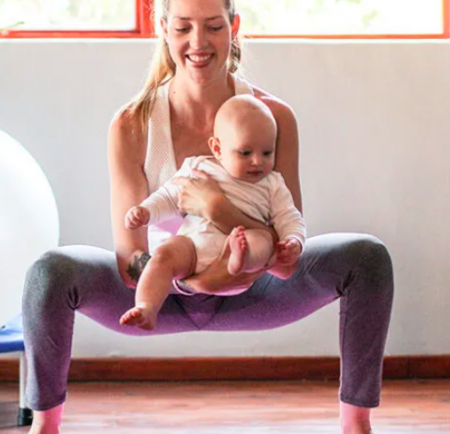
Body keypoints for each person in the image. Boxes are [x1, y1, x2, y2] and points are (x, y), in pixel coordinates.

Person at [22, 0, 394, 433]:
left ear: (233, 27)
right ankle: (44, 426)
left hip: (256, 286)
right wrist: (189, 279)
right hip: (161, 296)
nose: (198, 43)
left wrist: (216, 210)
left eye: (213, 26)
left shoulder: (273, 118)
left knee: (368, 258)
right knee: (49, 272)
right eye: (183, 27)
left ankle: (357, 425)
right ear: (162, 28)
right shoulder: (132, 124)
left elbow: (286, 244)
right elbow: (129, 260)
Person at [120, 94, 307, 331]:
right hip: (193, 249)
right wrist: (145, 211)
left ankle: (238, 259)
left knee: (262, 241)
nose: (258, 162)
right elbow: (169, 196)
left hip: (242, 255)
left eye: (267, 153)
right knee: (164, 255)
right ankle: (147, 306)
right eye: (245, 153)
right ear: (217, 148)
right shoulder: (199, 167)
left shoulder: (272, 184)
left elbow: (289, 217)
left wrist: (294, 240)